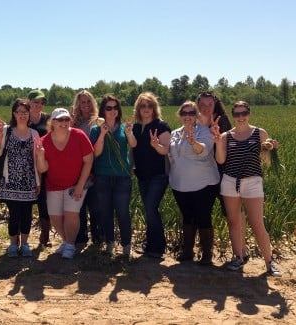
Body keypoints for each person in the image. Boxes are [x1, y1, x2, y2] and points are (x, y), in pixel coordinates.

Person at [212, 100, 281, 276]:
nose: (240, 117)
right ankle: (238, 258)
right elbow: (220, 160)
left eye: (244, 113)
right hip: (230, 181)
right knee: (234, 222)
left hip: (252, 182)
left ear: (249, 114)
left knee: (258, 224)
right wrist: (218, 141)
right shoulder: (227, 136)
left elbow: (267, 161)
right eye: (237, 114)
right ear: (233, 116)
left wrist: (271, 149)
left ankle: (269, 262)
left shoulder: (260, 133)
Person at [198, 90, 250, 262]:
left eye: (209, 104)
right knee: (203, 213)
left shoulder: (223, 121)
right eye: (202, 105)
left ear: (215, 105)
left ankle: (242, 249)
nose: (206, 108)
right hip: (203, 176)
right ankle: (206, 252)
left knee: (232, 214)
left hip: (224, 174)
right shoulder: (194, 122)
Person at [35, 108, 94, 259]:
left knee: (71, 215)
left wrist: (80, 185)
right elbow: (42, 168)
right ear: (52, 122)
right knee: (55, 217)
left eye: (67, 119)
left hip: (76, 183)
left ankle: (69, 246)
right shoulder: (44, 141)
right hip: (54, 185)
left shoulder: (79, 135)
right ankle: (68, 242)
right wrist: (40, 156)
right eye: (60, 120)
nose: (64, 122)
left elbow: (88, 161)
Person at [168, 101, 219, 265]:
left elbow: (204, 150)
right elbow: (170, 154)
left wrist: (193, 143)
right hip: (180, 184)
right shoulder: (175, 133)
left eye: (191, 113)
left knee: (203, 217)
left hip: (204, 183)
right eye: (184, 113)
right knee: (187, 217)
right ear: (180, 115)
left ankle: (206, 255)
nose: (187, 116)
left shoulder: (204, 131)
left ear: (196, 115)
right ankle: (188, 251)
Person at [89, 95, 137, 256]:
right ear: (103, 110)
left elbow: (133, 144)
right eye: (108, 108)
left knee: (123, 212)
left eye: (115, 107)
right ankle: (110, 243)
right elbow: (96, 152)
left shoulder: (124, 127)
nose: (112, 111)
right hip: (102, 176)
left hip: (122, 177)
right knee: (106, 212)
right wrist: (102, 135)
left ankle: (126, 246)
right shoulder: (96, 129)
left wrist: (129, 133)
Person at [0, 99, 40, 257]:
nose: (22, 115)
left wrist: (38, 181)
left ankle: (25, 244)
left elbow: (37, 159)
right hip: (10, 180)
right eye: (19, 112)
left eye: (25, 112)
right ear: (14, 113)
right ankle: (13, 244)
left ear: (29, 114)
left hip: (28, 180)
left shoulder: (34, 133)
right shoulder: (6, 130)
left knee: (26, 214)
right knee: (13, 214)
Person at [131, 92, 171, 259]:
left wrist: (156, 145)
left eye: (149, 106)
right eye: (142, 105)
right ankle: (151, 245)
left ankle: (159, 246)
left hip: (158, 175)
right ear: (138, 108)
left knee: (150, 208)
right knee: (149, 210)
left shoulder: (161, 126)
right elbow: (133, 147)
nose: (146, 109)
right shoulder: (135, 127)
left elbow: (166, 150)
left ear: (154, 108)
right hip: (142, 175)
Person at [71, 90, 102, 247]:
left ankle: (98, 237)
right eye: (83, 102)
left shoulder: (98, 121)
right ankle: (81, 237)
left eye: (89, 101)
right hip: (77, 168)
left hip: (95, 168)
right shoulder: (73, 122)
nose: (86, 105)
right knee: (79, 205)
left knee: (95, 205)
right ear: (78, 104)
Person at [28, 89, 52, 247]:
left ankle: (45, 236)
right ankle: (24, 237)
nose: (38, 105)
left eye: (41, 102)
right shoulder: (23, 118)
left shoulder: (48, 119)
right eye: (35, 101)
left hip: (45, 166)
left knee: (44, 203)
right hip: (26, 167)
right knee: (26, 203)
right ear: (29, 102)